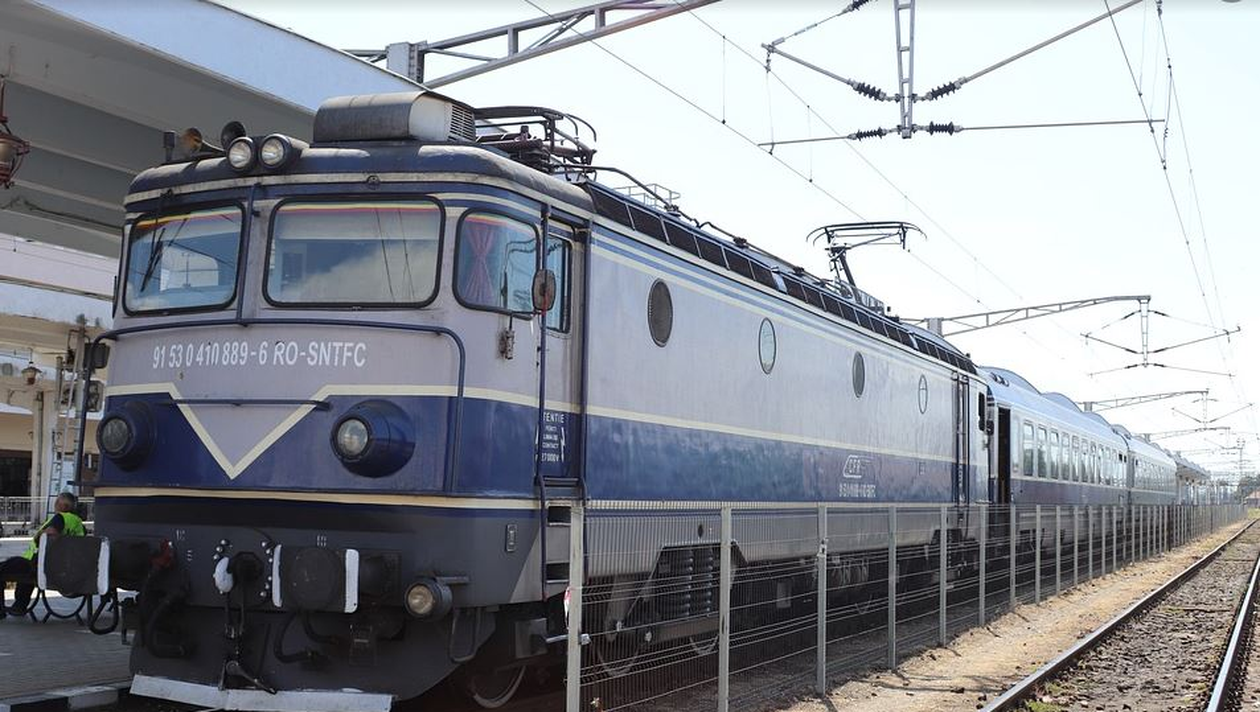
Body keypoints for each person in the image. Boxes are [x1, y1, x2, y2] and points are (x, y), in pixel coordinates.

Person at [0, 492, 85, 619]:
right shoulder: (79, 525)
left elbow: (51, 533)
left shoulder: (60, 518)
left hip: (41, 566)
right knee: (21, 569)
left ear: (61, 505)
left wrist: (40, 535)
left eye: (57, 502)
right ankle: (19, 606)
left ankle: (4, 610)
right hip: (60, 569)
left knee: (11, 566)